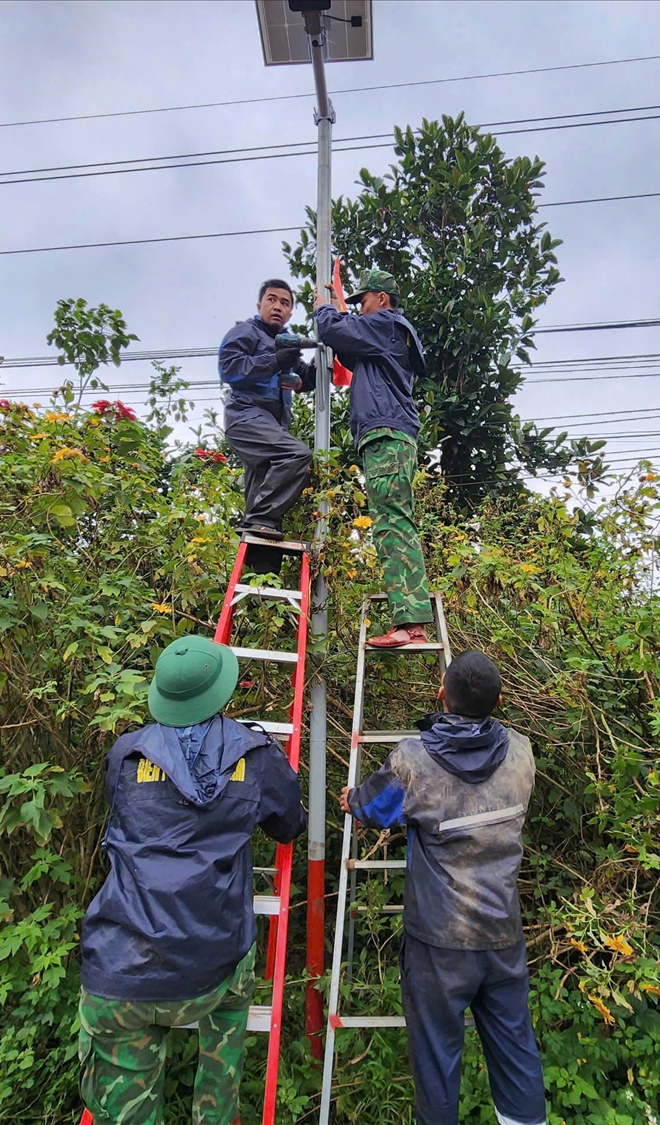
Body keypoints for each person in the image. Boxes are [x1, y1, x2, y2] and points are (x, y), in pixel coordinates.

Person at [79, 635, 306, 1125]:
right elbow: (289, 824)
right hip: (214, 967)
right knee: (236, 978)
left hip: (121, 970)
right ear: (222, 692)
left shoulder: (125, 755)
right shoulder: (256, 755)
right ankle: (217, 1112)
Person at [340, 651, 547, 1125]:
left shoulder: (415, 760)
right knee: (517, 1053)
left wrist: (352, 800)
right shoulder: (521, 751)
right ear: (499, 700)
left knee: (436, 1064)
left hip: (439, 942)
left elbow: (377, 808)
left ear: (440, 694)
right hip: (501, 933)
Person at [313, 268, 431, 648]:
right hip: (389, 436)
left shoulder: (386, 323)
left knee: (392, 523)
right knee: (391, 521)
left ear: (382, 298)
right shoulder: (383, 334)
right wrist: (336, 312)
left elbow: (336, 332)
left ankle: (410, 625)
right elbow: (347, 346)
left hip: (387, 434)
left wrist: (323, 311)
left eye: (362, 301)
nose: (359, 308)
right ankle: (409, 622)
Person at [220, 278, 317, 554]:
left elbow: (304, 380)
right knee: (296, 455)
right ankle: (259, 519)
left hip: (271, 427)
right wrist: (275, 361)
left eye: (284, 303)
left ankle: (261, 585)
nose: (277, 307)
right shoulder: (245, 332)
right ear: (259, 304)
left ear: (290, 313)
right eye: (272, 300)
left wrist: (321, 361)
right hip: (246, 418)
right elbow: (230, 369)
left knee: (261, 523)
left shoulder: (284, 344)